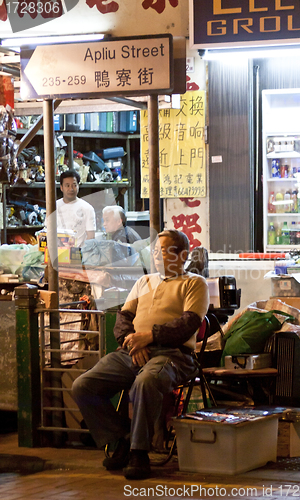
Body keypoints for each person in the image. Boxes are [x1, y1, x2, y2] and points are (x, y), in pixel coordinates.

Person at [72, 229, 209, 480]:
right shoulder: (144, 282)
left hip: (174, 355)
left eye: (164, 252)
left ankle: (138, 452)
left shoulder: (194, 283)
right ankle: (120, 438)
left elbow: (189, 324)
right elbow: (124, 318)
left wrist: (150, 336)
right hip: (133, 351)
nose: (157, 257)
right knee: (83, 385)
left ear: (183, 255)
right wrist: (133, 341)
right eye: (155, 252)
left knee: (145, 382)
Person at [57, 170, 96, 247]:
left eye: (74, 185)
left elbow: (91, 237)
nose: (71, 189)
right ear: (61, 188)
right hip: (56, 253)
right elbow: (47, 231)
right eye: (67, 185)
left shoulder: (87, 208)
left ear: (78, 186)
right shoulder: (54, 206)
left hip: (78, 254)